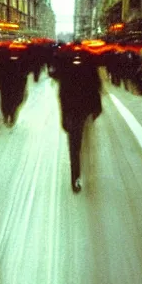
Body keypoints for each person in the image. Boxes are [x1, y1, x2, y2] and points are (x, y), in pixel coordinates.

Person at [52, 43, 102, 192]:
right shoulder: (90, 61)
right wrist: (97, 108)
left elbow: (62, 92)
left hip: (71, 110)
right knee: (85, 141)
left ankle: (75, 178)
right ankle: (87, 170)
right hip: (85, 109)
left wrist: (63, 116)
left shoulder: (66, 64)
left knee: (74, 146)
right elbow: (96, 86)